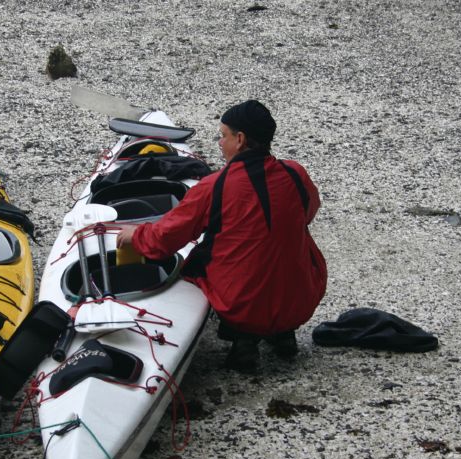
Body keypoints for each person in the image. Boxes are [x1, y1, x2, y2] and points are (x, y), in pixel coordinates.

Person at [117, 100, 327, 373]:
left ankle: (244, 342)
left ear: (240, 140)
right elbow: (308, 212)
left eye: (223, 135)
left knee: (197, 261)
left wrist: (136, 235)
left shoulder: (215, 187)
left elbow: (165, 240)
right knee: (277, 245)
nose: (219, 142)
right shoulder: (295, 174)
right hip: (301, 299)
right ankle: (283, 335)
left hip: (244, 308)